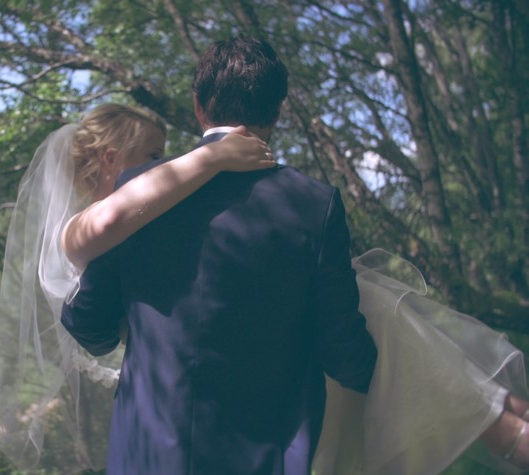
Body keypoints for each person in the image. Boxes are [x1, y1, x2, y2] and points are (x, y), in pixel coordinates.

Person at [60, 36, 529, 474]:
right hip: (267, 455)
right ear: (276, 112)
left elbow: (90, 327)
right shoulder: (314, 205)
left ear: (199, 106)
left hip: (147, 454)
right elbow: (343, 351)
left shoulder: (139, 195)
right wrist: (412, 378)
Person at [0, 103, 276, 473]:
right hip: (152, 401)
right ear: (111, 159)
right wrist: (214, 155)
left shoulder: (149, 221)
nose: (163, 164)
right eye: (154, 155)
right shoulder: (80, 226)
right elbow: (110, 220)